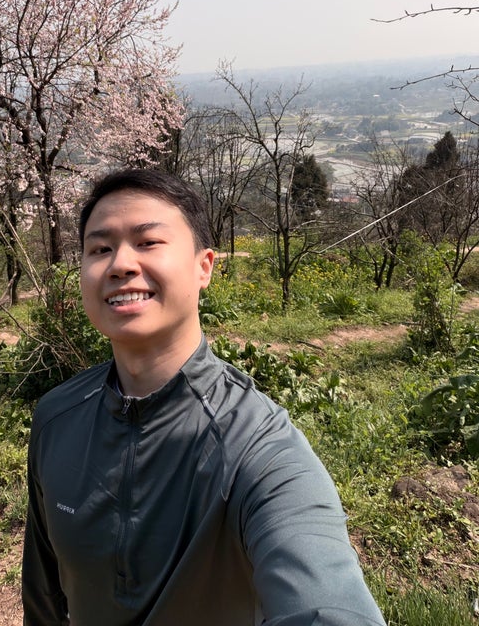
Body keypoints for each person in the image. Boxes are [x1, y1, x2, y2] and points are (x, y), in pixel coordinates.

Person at [22, 168, 386, 626]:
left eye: (148, 242)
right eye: (100, 249)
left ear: (204, 267)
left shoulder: (256, 445)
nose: (120, 264)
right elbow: (43, 595)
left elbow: (325, 599)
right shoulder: (57, 417)